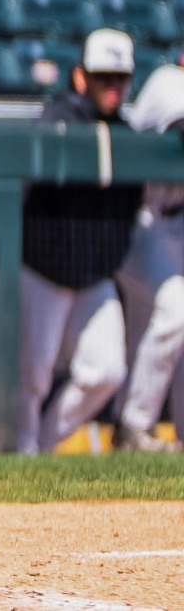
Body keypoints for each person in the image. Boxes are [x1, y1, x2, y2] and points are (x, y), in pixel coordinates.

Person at [18, 29, 138, 455]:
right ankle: (21, 453)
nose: (113, 86)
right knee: (33, 374)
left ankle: (43, 445)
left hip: (93, 274)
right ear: (80, 76)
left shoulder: (126, 129)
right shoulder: (59, 116)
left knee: (107, 371)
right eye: (103, 76)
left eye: (120, 77)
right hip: (43, 267)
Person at [120, 52, 184, 451]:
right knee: (177, 309)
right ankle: (134, 425)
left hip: (178, 222)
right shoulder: (167, 81)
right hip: (142, 218)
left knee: (158, 326)